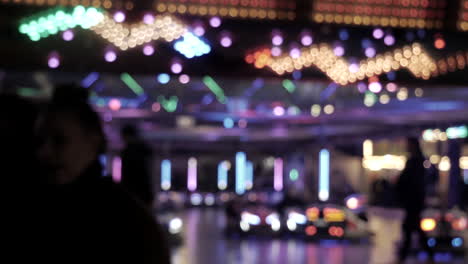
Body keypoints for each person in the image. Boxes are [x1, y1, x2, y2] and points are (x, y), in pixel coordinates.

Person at [36, 85, 170, 263]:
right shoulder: (130, 216)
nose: (43, 152)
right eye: (39, 141)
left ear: (92, 141)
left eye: (59, 141)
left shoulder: (125, 219)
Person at [396, 138, 433, 263]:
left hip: (413, 200)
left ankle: (403, 256)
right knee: (414, 228)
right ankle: (427, 254)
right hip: (415, 200)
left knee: (409, 228)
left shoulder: (414, 162)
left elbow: (406, 181)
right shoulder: (420, 161)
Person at [120, 124, 154, 207]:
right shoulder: (144, 150)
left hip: (132, 193)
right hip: (144, 193)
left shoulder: (127, 152)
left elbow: (126, 176)